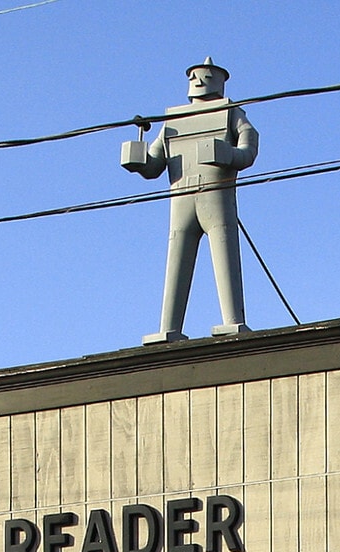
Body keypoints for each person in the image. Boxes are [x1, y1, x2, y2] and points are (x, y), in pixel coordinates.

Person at [120, 59, 260, 343]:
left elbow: (249, 147)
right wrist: (138, 158)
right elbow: (154, 166)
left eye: (205, 76)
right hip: (180, 195)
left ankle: (232, 322)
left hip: (215, 194)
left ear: (219, 80)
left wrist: (228, 155)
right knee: (177, 256)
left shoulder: (231, 112)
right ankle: (168, 328)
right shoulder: (173, 120)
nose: (199, 80)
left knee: (224, 252)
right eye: (194, 76)